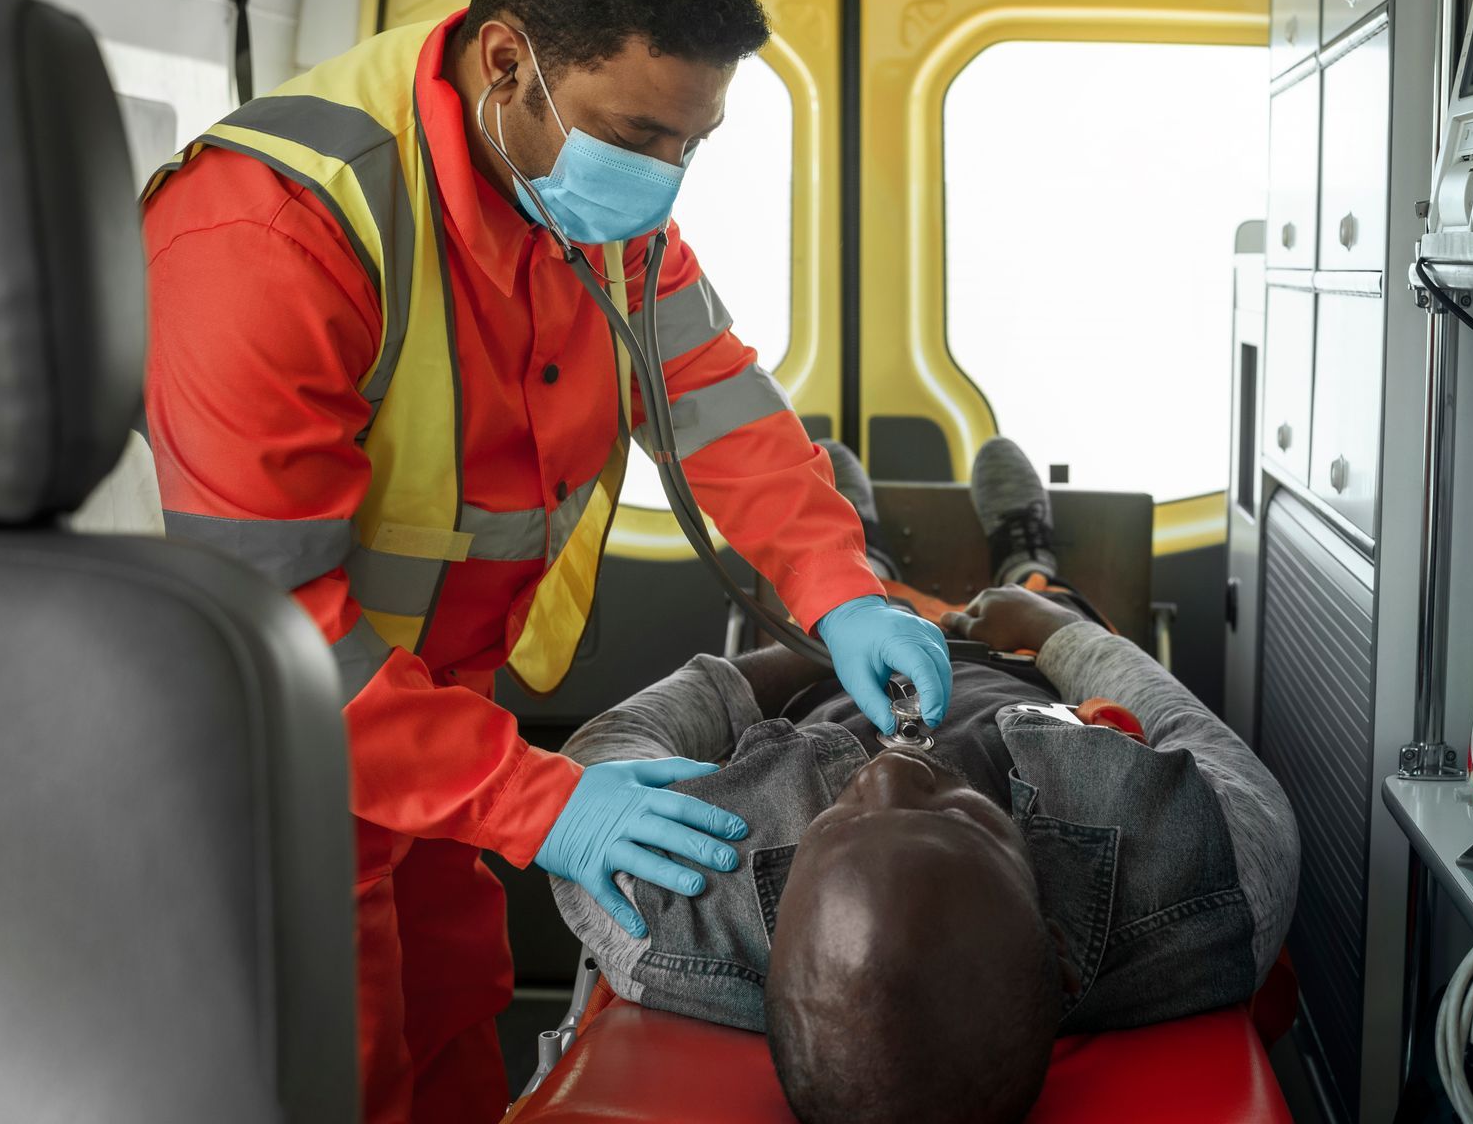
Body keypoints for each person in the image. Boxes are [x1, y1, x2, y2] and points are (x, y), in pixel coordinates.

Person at [138, 0, 950, 1124]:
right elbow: (273, 627)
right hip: (277, 765)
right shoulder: (269, 236)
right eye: (641, 137)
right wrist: (544, 799)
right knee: (338, 1075)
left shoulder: (590, 199)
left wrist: (844, 589)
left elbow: (718, 404)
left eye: (696, 142)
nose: (668, 180)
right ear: (507, 61)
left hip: (444, 733)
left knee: (458, 1038)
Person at [551, 439, 1301, 1124]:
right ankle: (1026, 561)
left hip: (827, 683)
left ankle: (857, 560)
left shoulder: (677, 909)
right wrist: (1054, 631)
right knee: (1044, 594)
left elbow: (599, 759)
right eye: (961, 815)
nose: (897, 765)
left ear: (768, 951)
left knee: (851, 597)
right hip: (1018, 668)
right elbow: (1186, 726)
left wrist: (806, 654)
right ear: (1057, 945)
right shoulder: (1203, 889)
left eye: (839, 815)